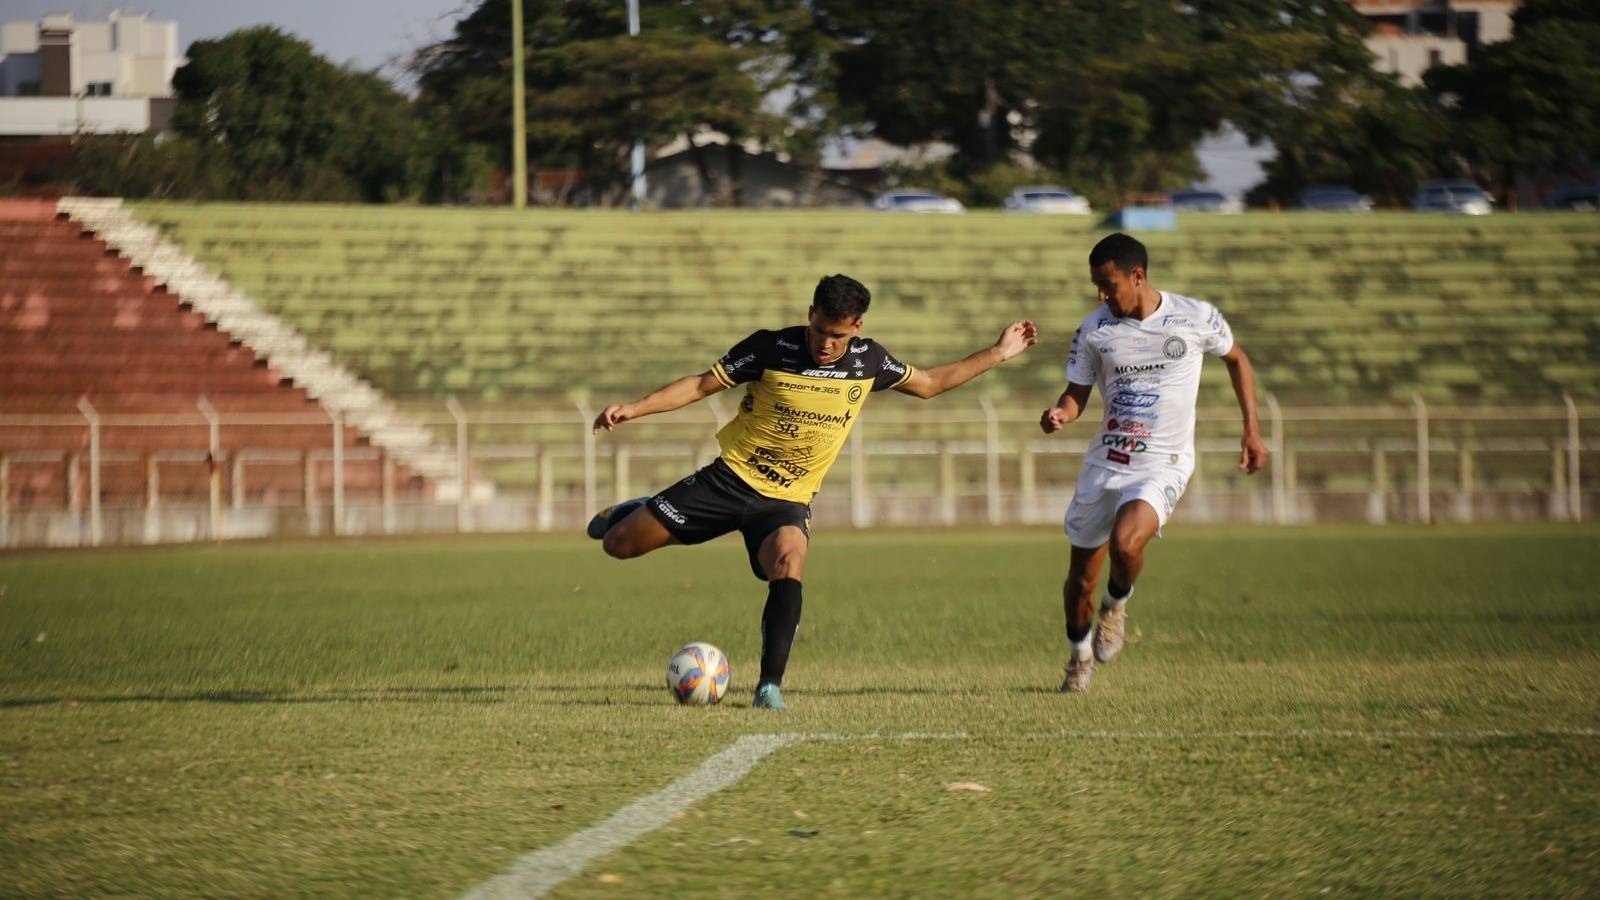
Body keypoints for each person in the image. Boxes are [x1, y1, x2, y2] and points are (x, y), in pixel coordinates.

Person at [589, 274, 1038, 709]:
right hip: (727, 481)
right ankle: (640, 510)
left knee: (790, 560)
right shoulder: (771, 347)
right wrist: (633, 409)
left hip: (785, 502)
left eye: (838, 336)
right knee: (618, 545)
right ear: (810, 315)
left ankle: (769, 686)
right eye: (820, 330)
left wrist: (999, 352)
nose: (826, 343)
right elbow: (700, 384)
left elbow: (932, 383)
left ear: (857, 328)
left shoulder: (869, 361)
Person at [1040, 233, 1268, 693]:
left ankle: (1117, 603)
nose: (1102, 296)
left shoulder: (1194, 317)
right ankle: (1079, 658)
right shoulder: (1094, 330)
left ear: (1137, 276)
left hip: (1163, 462)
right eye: (1096, 287)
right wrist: (1062, 412)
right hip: (1106, 463)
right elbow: (1077, 394)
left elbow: (1237, 360)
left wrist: (1252, 430)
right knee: (1079, 579)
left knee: (1126, 545)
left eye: (1108, 285)